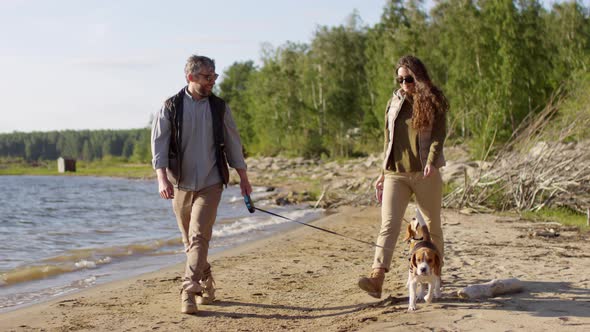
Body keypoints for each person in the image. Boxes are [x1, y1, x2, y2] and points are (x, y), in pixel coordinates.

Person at [151, 54, 252, 314]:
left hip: (212, 181)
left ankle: (189, 290)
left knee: (199, 236)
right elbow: (159, 144)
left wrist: (243, 177)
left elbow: (233, 142)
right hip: (180, 182)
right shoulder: (170, 106)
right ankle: (206, 281)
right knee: (190, 241)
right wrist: (162, 178)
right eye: (208, 77)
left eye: (214, 76)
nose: (212, 82)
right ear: (191, 77)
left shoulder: (219, 107)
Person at [358, 55, 448, 298]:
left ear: (418, 76)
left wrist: (431, 161)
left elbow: (439, 135)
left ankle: (435, 275)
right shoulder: (394, 101)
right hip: (395, 173)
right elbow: (388, 140)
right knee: (389, 224)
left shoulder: (434, 101)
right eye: (400, 79)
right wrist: (382, 173)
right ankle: (377, 278)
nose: (404, 83)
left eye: (408, 78)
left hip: (424, 173)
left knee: (432, 226)